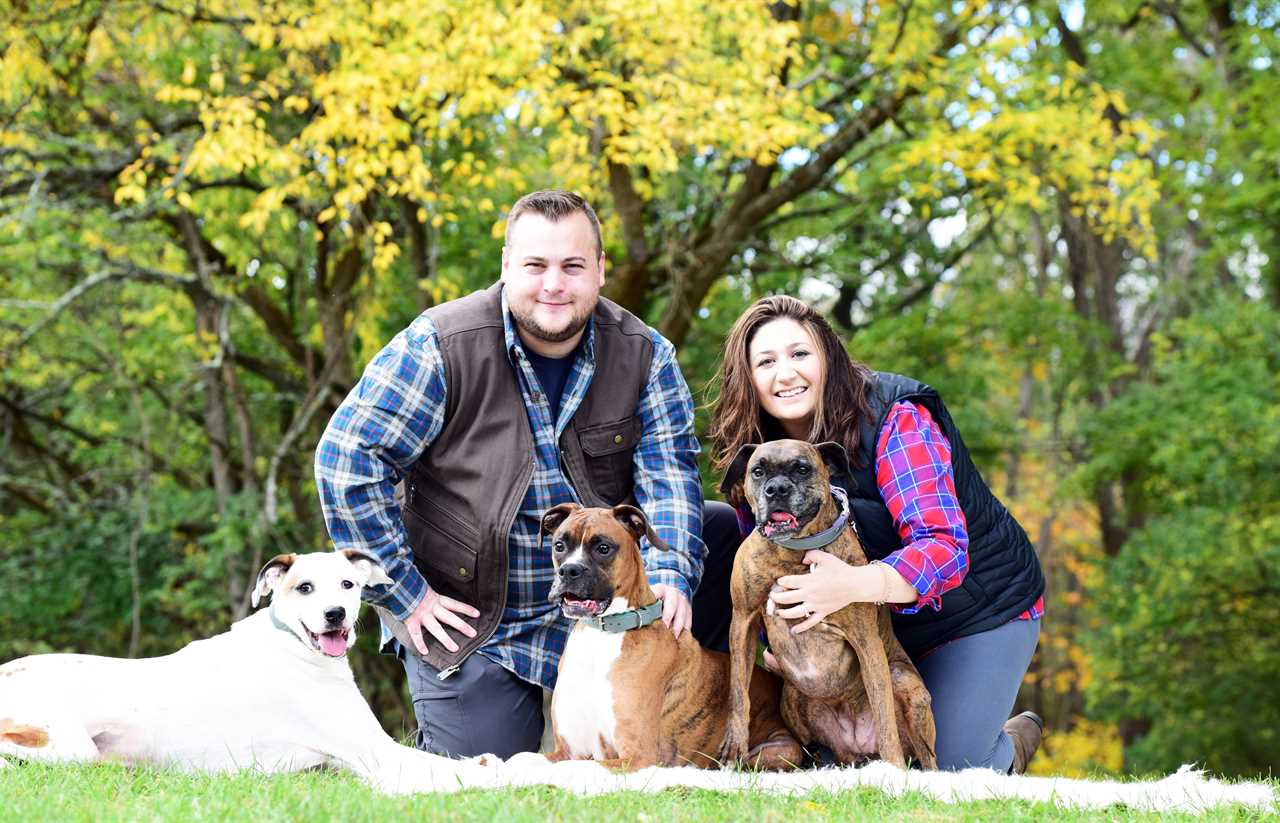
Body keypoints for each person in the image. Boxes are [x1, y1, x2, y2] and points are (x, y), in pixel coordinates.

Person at [314, 190, 741, 759]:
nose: (554, 285)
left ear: (601, 271)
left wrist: (669, 574)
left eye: (573, 267)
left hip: (608, 599)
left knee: (712, 530)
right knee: (479, 773)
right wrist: (406, 594)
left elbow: (668, 476)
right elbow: (346, 460)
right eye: (536, 266)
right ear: (507, 266)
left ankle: (694, 730)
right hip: (477, 617)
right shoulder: (439, 345)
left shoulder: (646, 356)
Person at [707, 295, 1047, 774]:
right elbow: (761, 552)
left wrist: (853, 583)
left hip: (974, 610)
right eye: (766, 361)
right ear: (749, 378)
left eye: (800, 354)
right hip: (866, 625)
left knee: (951, 765)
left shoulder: (894, 418)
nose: (785, 373)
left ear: (829, 355)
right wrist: (779, 644)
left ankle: (1011, 745)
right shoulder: (757, 453)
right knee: (712, 522)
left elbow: (944, 548)